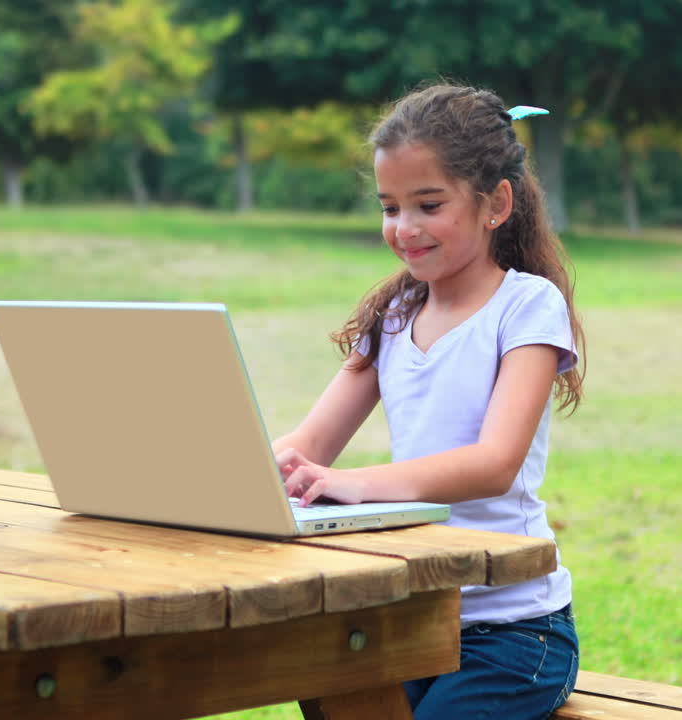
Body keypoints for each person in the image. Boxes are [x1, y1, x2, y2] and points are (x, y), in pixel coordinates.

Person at [272, 83, 585, 720]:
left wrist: (355, 483)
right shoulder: (395, 314)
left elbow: (493, 464)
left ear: (496, 203)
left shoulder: (526, 307)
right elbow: (304, 450)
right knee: (322, 683)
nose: (403, 228)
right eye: (389, 207)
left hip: (513, 633)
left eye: (428, 204)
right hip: (408, 620)